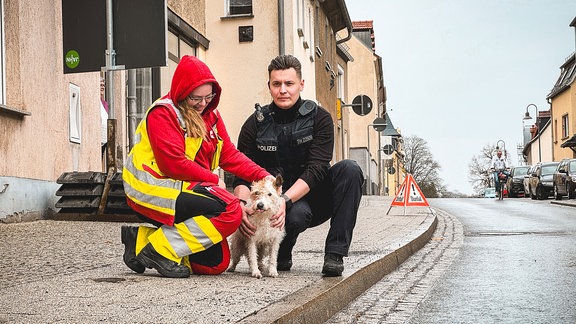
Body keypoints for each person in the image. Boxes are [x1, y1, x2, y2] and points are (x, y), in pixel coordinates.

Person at [121, 55, 279, 278]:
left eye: (208, 97)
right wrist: (215, 181)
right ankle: (160, 250)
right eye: (196, 98)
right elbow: (173, 164)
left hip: (183, 188)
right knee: (231, 210)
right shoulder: (163, 113)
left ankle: (141, 242)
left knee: (216, 264)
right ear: (182, 92)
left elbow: (229, 155)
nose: (203, 103)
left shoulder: (211, 116)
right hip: (151, 188)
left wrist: (265, 176)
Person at [233, 54, 364, 277]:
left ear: (301, 84)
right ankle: (283, 248)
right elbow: (241, 173)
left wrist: (285, 199)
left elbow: (317, 168)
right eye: (277, 84)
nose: (283, 90)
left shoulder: (320, 118)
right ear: (269, 86)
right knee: (295, 217)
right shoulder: (254, 124)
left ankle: (335, 254)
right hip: (279, 205)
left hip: (314, 195)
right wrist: (243, 207)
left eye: (289, 83)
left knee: (350, 169)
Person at [100, 77, 109, 170]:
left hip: (105, 137)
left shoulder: (105, 104)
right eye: (100, 85)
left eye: (103, 85)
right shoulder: (96, 102)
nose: (102, 87)